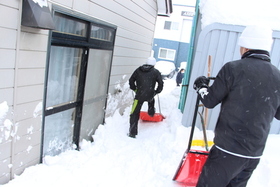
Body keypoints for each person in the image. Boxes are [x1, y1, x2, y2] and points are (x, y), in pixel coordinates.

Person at [193, 25, 280, 187]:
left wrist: (201, 87)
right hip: (253, 155)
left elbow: (210, 101)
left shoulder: (233, 69)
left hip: (227, 152)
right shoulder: (277, 76)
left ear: (246, 47)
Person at [128, 57, 164, 138]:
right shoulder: (156, 72)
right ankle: (151, 112)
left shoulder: (138, 70)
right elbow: (161, 84)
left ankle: (132, 133)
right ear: (154, 64)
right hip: (150, 94)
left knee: (134, 113)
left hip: (139, 95)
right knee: (151, 101)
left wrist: (135, 89)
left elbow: (131, 80)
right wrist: (156, 92)